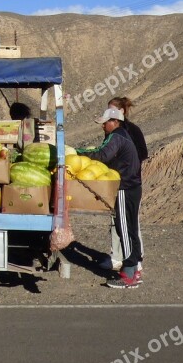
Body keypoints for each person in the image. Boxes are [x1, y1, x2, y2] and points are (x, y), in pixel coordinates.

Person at [78, 107, 143, 289]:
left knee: (124, 228)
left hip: (124, 188)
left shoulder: (117, 137)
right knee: (131, 228)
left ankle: (129, 274)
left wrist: (79, 153)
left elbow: (102, 155)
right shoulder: (123, 135)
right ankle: (134, 271)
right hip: (133, 187)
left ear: (114, 121)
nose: (103, 127)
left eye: (105, 123)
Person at [97, 97, 148, 273]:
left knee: (128, 224)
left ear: (120, 113)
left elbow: (141, 153)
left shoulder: (129, 131)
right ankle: (118, 257)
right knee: (119, 222)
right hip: (118, 181)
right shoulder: (113, 132)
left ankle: (134, 261)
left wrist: (126, 168)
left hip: (127, 182)